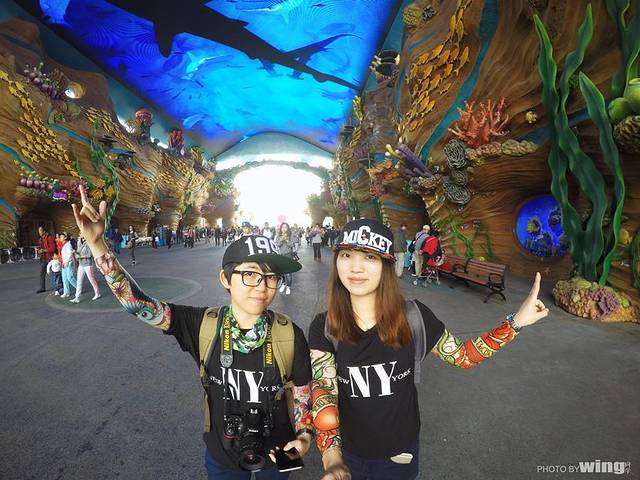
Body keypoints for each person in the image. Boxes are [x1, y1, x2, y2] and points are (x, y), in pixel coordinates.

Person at [71, 185, 314, 479]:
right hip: (222, 455)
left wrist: (304, 436)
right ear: (225, 279)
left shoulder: (289, 334)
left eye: (271, 276)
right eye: (250, 274)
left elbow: (302, 393)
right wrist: (98, 245)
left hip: (279, 453)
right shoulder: (203, 325)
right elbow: (138, 304)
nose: (262, 286)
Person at [308, 218, 549, 480]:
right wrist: (331, 457)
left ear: (387, 265)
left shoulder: (414, 318)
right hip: (348, 453)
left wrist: (516, 322)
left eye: (369, 257)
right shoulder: (325, 326)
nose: (356, 267)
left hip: (400, 454)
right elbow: (325, 392)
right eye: (346, 255)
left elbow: (464, 356)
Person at [70, 236, 101, 303]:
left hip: (88, 264)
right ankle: (77, 298)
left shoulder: (89, 242)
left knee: (91, 280)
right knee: (79, 281)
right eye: (80, 233)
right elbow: (78, 252)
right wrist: (75, 254)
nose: (80, 234)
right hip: (81, 264)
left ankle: (97, 293)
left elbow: (90, 254)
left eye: (81, 232)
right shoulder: (79, 242)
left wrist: (80, 256)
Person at [276, 223, 296, 296]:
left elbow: (292, 245)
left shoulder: (291, 235)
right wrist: (281, 239)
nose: (284, 229)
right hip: (281, 256)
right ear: (281, 228)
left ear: (288, 228)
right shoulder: (278, 236)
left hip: (288, 255)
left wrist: (287, 240)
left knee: (288, 273)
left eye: (285, 227)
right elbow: (277, 245)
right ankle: (284, 284)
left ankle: (288, 287)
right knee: (282, 272)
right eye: (283, 227)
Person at [36, 225, 56, 293]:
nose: (39, 232)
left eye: (40, 230)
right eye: (38, 231)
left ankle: (58, 287)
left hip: (50, 258)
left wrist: (44, 250)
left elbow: (52, 248)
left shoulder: (49, 237)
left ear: (44, 231)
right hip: (43, 258)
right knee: (42, 273)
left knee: (55, 273)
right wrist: (39, 251)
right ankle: (42, 288)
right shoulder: (40, 239)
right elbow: (40, 247)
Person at [59, 232, 77, 298]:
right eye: (60, 237)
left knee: (70, 277)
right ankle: (66, 292)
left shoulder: (68, 244)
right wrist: (63, 262)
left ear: (65, 237)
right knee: (64, 278)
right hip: (64, 263)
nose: (60, 238)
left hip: (69, 263)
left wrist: (67, 261)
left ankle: (78, 288)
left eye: (61, 236)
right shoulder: (63, 245)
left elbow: (70, 254)